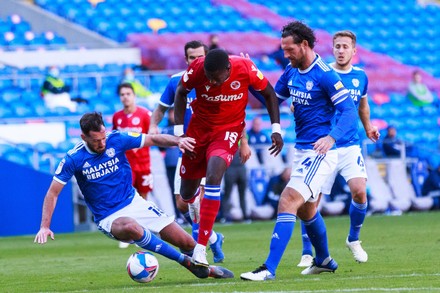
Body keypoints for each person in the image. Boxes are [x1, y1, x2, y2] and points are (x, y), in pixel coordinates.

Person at [33, 112, 233, 280]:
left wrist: (178, 141)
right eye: (96, 141)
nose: (102, 143)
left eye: (103, 138)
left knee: (188, 243)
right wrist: (44, 225)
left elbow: (152, 139)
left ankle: (205, 270)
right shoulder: (73, 159)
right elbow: (53, 192)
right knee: (131, 226)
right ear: (84, 137)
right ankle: (185, 262)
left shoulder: (116, 139)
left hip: (134, 202)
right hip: (109, 217)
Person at [240, 21, 357, 281]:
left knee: (288, 200)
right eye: (283, 49)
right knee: (306, 210)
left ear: (304, 45)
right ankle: (324, 259)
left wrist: (331, 137)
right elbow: (271, 98)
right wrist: (252, 75)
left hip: (321, 152)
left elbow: (349, 111)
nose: (285, 54)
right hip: (302, 150)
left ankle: (268, 269)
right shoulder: (291, 71)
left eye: (289, 49)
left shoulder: (325, 74)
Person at [174, 48, 284, 268]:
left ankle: (201, 247)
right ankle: (214, 236)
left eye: (216, 78)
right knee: (185, 197)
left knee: (214, 177)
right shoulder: (197, 68)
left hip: (227, 131)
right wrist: (179, 133)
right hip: (198, 131)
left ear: (227, 70)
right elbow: (180, 92)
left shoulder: (245, 68)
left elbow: (269, 93)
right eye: (209, 77)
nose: (212, 82)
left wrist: (276, 128)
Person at [297, 30, 380, 266]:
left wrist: (368, 127)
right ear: (332, 49)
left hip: (350, 144)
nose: (341, 50)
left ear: (354, 51)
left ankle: (353, 239)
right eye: (337, 46)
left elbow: (361, 105)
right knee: (311, 200)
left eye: (345, 46)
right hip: (324, 145)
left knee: (360, 192)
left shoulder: (361, 76)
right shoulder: (324, 73)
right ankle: (306, 251)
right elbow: (303, 99)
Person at [149, 40, 226, 263]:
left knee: (196, 200)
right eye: (192, 58)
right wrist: (154, 125)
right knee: (183, 202)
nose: (196, 61)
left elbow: (230, 112)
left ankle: (197, 251)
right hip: (186, 148)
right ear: (186, 60)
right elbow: (160, 109)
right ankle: (213, 238)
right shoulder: (176, 82)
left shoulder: (214, 80)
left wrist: (243, 142)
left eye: (200, 56)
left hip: (209, 147)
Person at [113, 83, 153, 201]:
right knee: (126, 196)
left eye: (128, 94)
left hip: (143, 163)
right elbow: (115, 139)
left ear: (134, 96)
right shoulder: (117, 117)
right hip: (125, 164)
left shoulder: (145, 115)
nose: (125, 97)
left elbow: (152, 136)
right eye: (122, 94)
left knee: (143, 196)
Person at [221, 147, 250, 223]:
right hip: (231, 168)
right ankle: (225, 217)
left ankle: (245, 216)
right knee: (227, 194)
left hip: (241, 167)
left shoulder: (241, 139)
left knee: (242, 194)